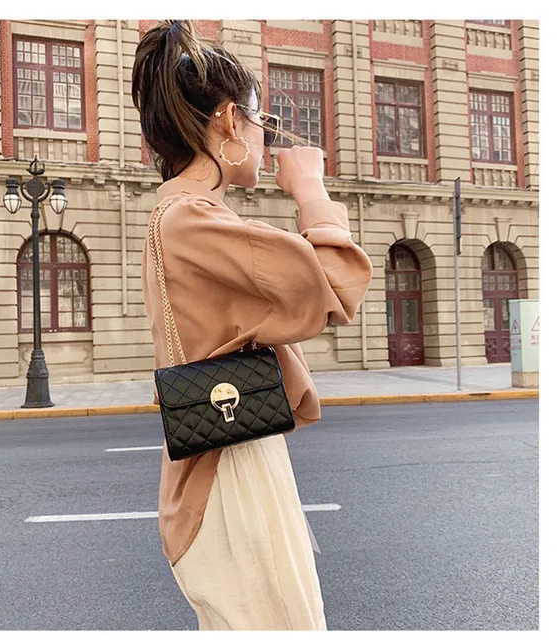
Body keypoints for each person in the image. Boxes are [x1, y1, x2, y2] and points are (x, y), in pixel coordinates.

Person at [133, 20, 373, 631]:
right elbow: (337, 287)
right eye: (263, 123)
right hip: (228, 464)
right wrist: (311, 189)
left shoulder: (185, 215)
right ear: (228, 120)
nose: (268, 140)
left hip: (229, 444)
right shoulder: (191, 220)